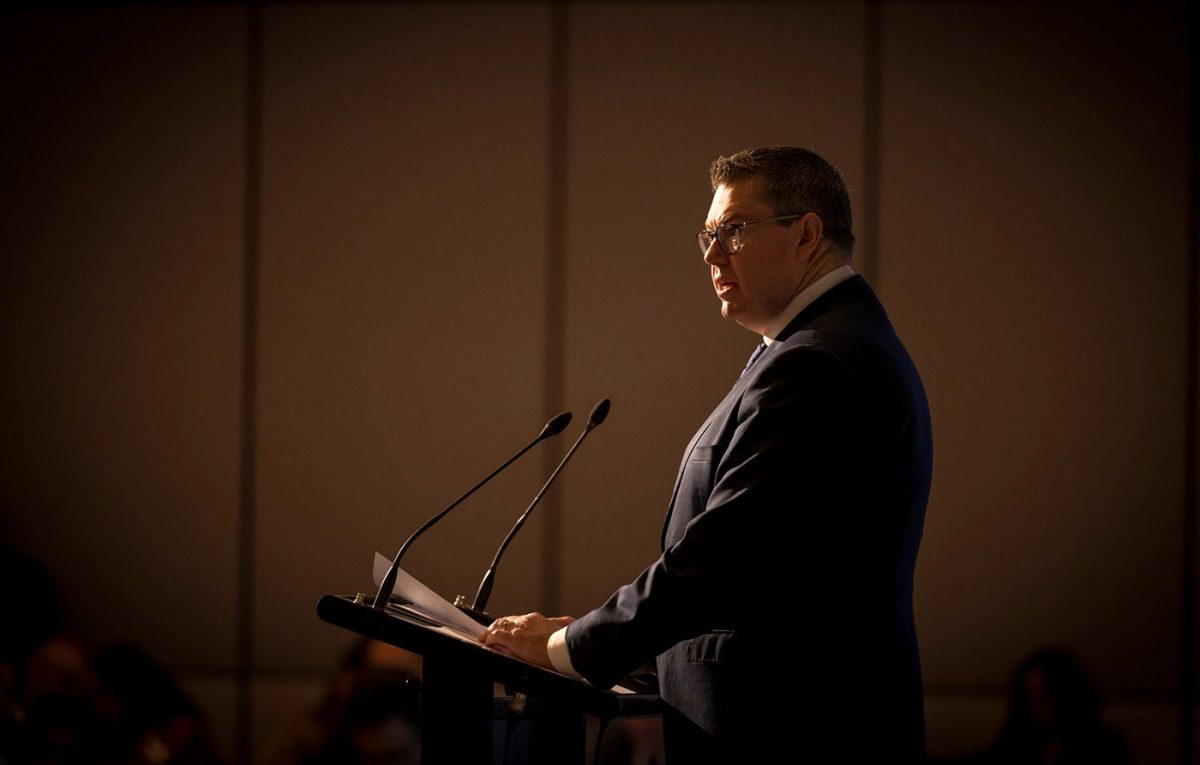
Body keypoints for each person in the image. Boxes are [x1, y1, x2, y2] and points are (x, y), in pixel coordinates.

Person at [484, 146, 932, 762]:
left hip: (797, 730)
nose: (712, 255)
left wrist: (570, 648)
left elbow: (721, 561)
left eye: (733, 231)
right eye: (708, 235)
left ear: (806, 233)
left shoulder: (818, 362)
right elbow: (772, 575)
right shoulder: (813, 347)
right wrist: (589, 632)